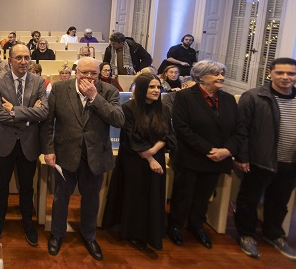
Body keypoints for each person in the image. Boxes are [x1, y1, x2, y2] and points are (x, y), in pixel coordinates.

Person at [41, 57, 124, 259]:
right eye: (84, 72)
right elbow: (48, 123)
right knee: (61, 198)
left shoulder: (108, 91)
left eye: (93, 73)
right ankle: (57, 234)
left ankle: (89, 236)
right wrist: (48, 150)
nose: (88, 77)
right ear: (76, 72)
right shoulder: (60, 89)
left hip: (95, 156)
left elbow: (118, 120)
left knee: (91, 200)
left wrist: (95, 97)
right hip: (65, 154)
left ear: (99, 74)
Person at [167, 60, 242, 249]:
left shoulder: (228, 99)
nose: (221, 77)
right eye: (216, 74)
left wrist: (227, 150)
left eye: (222, 73)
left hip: (218, 159)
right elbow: (182, 129)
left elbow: (238, 130)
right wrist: (209, 150)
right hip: (191, 157)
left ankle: (196, 225)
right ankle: (175, 226)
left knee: (203, 197)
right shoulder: (184, 97)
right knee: (183, 196)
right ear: (201, 77)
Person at [102, 73, 176, 252]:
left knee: (153, 196)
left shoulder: (164, 109)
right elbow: (131, 136)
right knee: (135, 197)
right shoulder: (128, 108)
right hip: (134, 160)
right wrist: (149, 157)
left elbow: (168, 135)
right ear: (142, 89)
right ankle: (133, 232)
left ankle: (151, 232)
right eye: (152, 87)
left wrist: (153, 152)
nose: (156, 90)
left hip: (156, 157)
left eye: (158, 87)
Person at [234, 57, 296, 260]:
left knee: (279, 202)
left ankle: (273, 234)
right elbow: (241, 129)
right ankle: (246, 235)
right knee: (249, 200)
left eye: (291, 73)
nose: (286, 77)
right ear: (270, 73)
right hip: (259, 160)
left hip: (290, 162)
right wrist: (242, 156)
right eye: (280, 72)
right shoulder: (254, 97)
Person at [0, 44, 48, 246]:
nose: (23, 62)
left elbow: (44, 112)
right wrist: (29, 116)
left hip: (28, 143)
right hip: (4, 141)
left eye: (26, 57)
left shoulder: (38, 81)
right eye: (19, 58)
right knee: (1, 184)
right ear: (10, 60)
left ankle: (27, 222)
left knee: (27, 186)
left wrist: (14, 110)